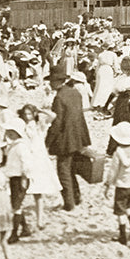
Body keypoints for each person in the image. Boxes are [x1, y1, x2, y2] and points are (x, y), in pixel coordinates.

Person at [44, 65, 91, 211]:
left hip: (65, 138)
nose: (50, 84)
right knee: (71, 169)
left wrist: (47, 142)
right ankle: (76, 196)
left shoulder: (59, 97)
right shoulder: (75, 93)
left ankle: (69, 203)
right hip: (78, 136)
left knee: (63, 171)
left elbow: (57, 123)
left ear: (57, 81)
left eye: (51, 81)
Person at [104, 122, 130, 244]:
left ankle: (122, 236)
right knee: (129, 207)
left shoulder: (119, 152)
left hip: (122, 185)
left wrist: (108, 184)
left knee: (120, 211)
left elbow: (113, 171)